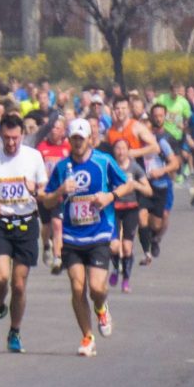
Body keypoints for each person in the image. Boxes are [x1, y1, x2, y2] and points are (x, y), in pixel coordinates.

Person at [41, 118, 130, 357]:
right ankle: (87, 336)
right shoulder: (62, 167)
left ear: (89, 138)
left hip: (99, 233)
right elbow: (47, 200)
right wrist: (60, 191)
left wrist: (109, 197)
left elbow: (126, 185)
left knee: (96, 288)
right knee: (77, 287)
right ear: (69, 140)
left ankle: (101, 307)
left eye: (82, 138)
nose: (78, 143)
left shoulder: (103, 161)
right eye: (74, 139)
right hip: (72, 237)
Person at [0, 114, 48, 353]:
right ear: (0, 135)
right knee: (0, 277)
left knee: (18, 284)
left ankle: (14, 331)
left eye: (15, 138)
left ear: (22, 135)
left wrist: (35, 189)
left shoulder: (33, 157)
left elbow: (44, 190)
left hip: (26, 224)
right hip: (0, 224)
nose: (11, 142)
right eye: (6, 137)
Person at [108, 139, 152, 294]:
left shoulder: (134, 167)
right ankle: (115, 267)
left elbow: (148, 190)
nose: (120, 152)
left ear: (128, 150)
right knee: (114, 246)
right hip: (113, 209)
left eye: (123, 148)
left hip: (130, 209)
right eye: (117, 148)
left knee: (127, 248)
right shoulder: (109, 166)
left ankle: (126, 279)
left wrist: (135, 185)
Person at [138, 104, 180, 265]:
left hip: (162, 184)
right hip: (145, 185)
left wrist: (162, 171)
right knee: (142, 216)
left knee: (160, 219)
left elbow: (174, 163)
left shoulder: (162, 142)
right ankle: (147, 247)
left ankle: (156, 238)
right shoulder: (137, 145)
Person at [36, 117, 70, 273]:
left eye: (57, 128)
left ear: (63, 131)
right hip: (45, 191)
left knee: (57, 224)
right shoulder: (41, 147)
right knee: (47, 225)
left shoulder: (68, 147)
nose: (54, 130)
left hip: (60, 192)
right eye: (52, 127)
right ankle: (46, 245)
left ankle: (58, 257)